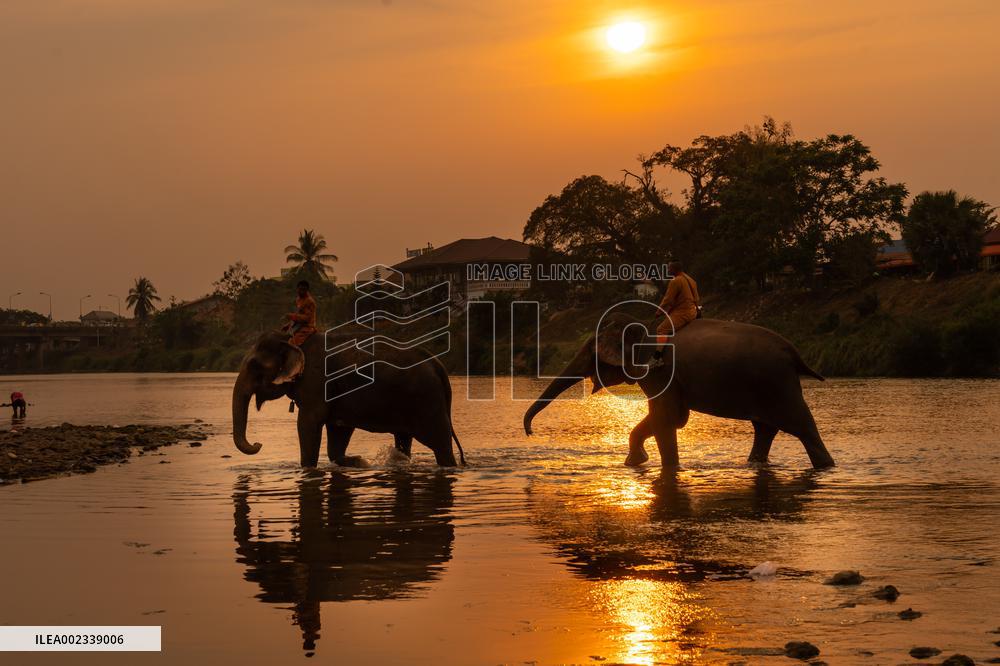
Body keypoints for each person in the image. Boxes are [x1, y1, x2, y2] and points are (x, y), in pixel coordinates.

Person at [652, 261, 699, 363]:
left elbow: (668, 299)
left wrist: (658, 311)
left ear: (674, 269)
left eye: (669, 268)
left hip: (683, 314)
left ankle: (657, 358)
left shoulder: (675, 281)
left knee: (661, 329)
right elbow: (696, 298)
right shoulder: (691, 280)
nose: (668, 270)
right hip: (693, 311)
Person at [283, 280, 318, 347]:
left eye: (303, 289)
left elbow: (307, 318)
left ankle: (298, 357)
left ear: (307, 290)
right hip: (299, 326)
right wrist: (289, 324)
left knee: (291, 344)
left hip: (307, 327)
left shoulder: (310, 301)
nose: (301, 291)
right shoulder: (298, 299)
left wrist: (291, 316)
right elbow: (299, 313)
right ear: (297, 289)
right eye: (300, 289)